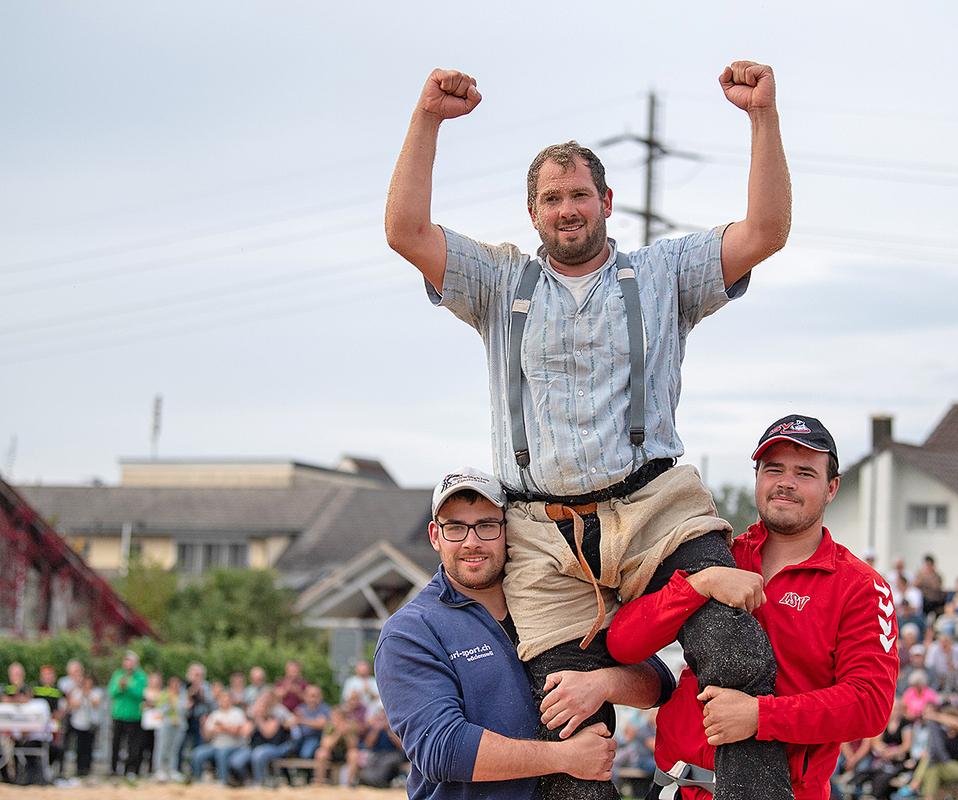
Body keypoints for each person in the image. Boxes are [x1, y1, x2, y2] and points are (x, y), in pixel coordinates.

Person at [384, 59, 793, 800]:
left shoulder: (664, 273)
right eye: (551, 199)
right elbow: (405, 230)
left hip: (656, 511)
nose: (566, 209)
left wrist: (762, 117)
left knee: (736, 653)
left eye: (579, 195)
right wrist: (427, 117)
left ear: (607, 201)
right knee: (565, 719)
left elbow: (766, 231)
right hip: (542, 529)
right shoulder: (500, 281)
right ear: (533, 213)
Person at [606, 414, 899, 799]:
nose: (786, 483)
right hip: (672, 786)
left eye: (805, 473)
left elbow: (869, 705)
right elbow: (623, 643)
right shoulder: (716, 554)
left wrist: (760, 716)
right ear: (757, 477)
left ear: (832, 487)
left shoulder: (861, 586)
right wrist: (700, 584)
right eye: (773, 468)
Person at [375, 468, 677, 800]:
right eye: (456, 528)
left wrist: (603, 683)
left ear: (509, 529)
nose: (471, 542)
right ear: (435, 535)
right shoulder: (411, 632)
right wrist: (566, 758)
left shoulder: (553, 595)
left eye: (486, 526)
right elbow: (443, 750)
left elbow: (660, 684)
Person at [189, 689, 249, 785]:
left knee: (222, 753)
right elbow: (207, 737)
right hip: (215, 746)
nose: (224, 701)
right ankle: (198, 779)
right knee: (197, 753)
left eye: (227, 699)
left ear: (231, 700)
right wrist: (203, 726)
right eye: (222, 699)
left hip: (234, 746)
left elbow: (237, 732)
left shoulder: (237, 713)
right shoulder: (214, 714)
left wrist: (222, 727)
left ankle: (223, 781)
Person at [107, 650, 147, 779]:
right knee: (115, 743)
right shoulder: (117, 674)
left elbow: (141, 694)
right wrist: (120, 687)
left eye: (130, 661)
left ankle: (130, 770)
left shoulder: (141, 677)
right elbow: (111, 692)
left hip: (133, 715)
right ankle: (113, 769)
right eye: (126, 661)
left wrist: (127, 687)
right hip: (118, 714)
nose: (128, 664)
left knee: (133, 745)